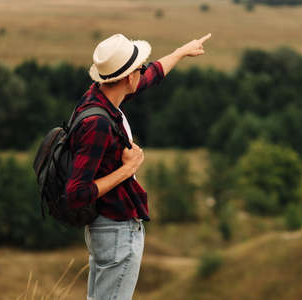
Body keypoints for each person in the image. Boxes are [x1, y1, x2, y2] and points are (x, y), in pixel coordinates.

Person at [64, 32, 211, 300]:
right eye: (138, 69)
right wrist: (127, 169)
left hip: (107, 229)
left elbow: (151, 76)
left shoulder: (100, 99)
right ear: (127, 77)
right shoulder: (97, 123)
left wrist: (181, 52)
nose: (142, 73)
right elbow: (76, 193)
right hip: (115, 231)